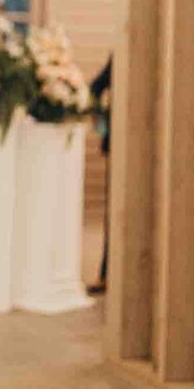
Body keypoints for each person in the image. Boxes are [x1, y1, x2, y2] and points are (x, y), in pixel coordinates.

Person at [88, 54, 112, 295]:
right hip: (117, 142)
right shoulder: (120, 58)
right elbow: (95, 87)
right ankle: (106, 275)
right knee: (113, 214)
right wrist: (101, 122)